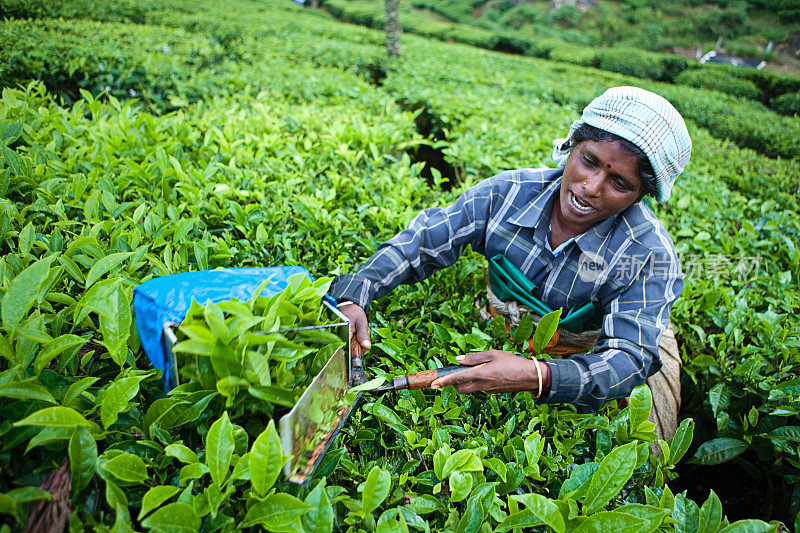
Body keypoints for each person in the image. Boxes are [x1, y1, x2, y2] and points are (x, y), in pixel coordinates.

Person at [329, 86, 691, 437]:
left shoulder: (648, 253)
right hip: (506, 322)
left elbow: (628, 359)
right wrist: (356, 294)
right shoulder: (507, 193)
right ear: (571, 147)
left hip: (601, 345)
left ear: (641, 195)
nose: (591, 187)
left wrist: (536, 375)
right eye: (589, 161)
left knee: (649, 446)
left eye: (620, 183)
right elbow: (422, 242)